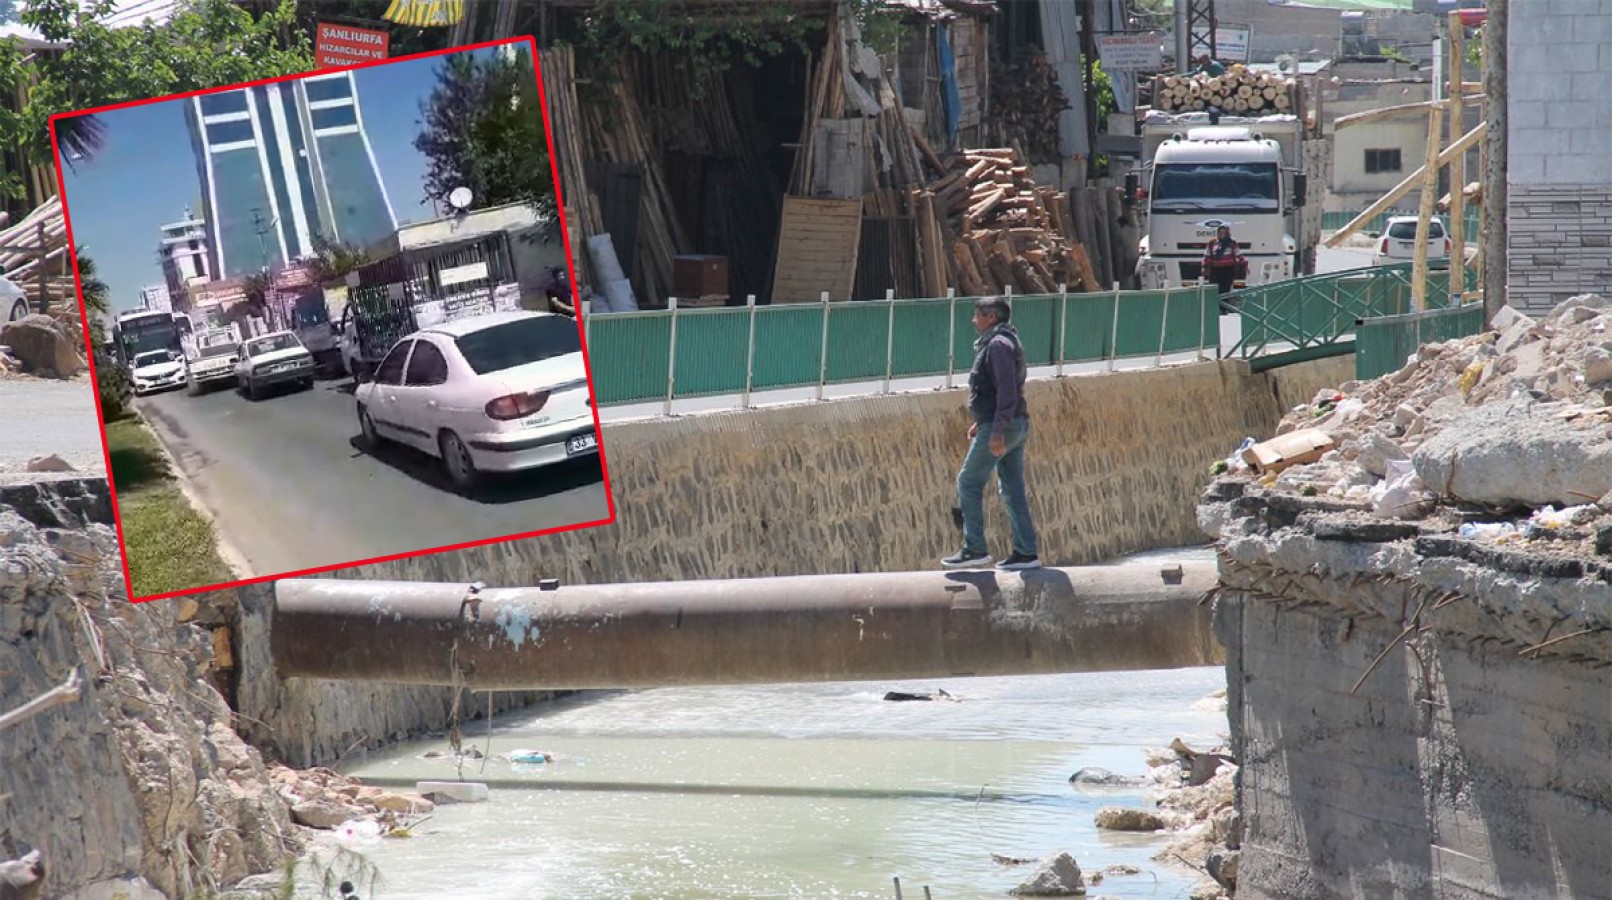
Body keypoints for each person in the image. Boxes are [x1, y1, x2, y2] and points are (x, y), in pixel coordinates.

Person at [943, 296, 1042, 571]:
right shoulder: (1007, 341)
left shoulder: (997, 346)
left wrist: (996, 430)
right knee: (1011, 488)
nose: (974, 321)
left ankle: (974, 548)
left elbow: (1006, 391)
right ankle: (1026, 552)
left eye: (978, 315)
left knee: (968, 482)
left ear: (991, 317)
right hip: (1014, 424)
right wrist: (983, 422)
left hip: (1005, 426)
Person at [1201, 225, 1245, 296]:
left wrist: (1244, 264)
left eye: (1223, 232)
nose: (1221, 234)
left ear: (1227, 233)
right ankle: (1216, 305)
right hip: (1215, 270)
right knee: (1214, 290)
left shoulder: (1232, 242)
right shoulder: (1212, 242)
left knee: (1225, 291)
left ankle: (1224, 306)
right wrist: (1204, 267)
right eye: (1220, 232)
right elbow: (1207, 256)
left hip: (1228, 270)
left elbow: (1238, 254)